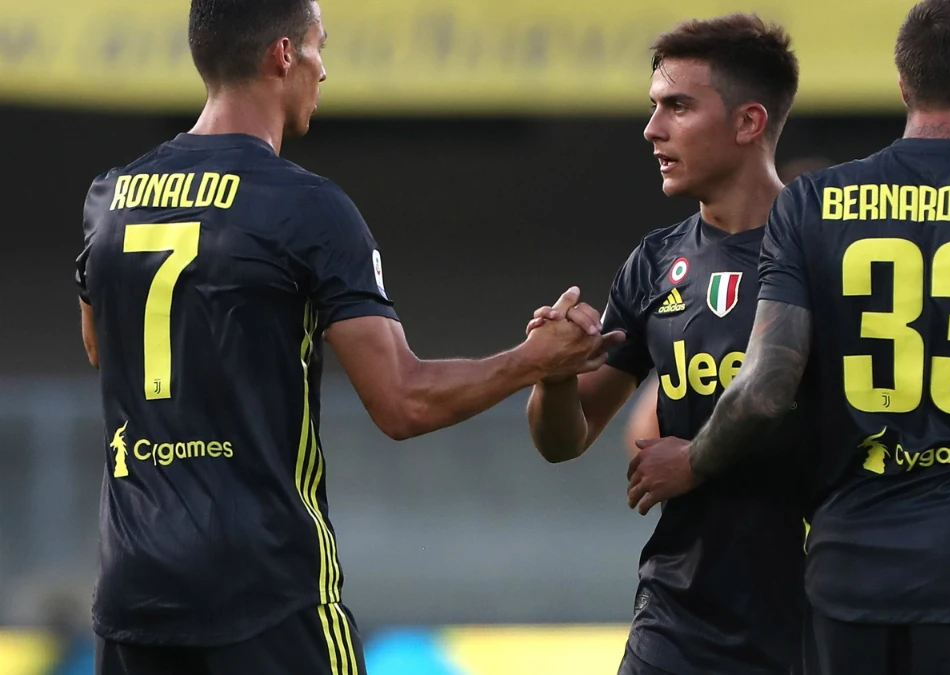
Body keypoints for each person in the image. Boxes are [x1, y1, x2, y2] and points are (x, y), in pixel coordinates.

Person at [74, 1, 618, 673]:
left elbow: (102, 346)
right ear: (282, 56)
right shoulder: (306, 207)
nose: (323, 69)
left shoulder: (112, 195)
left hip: (134, 590)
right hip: (265, 590)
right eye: (317, 46)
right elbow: (403, 401)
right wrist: (534, 358)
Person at [625, 1, 950, 674]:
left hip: (847, 578)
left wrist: (692, 459)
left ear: (903, 84)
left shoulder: (814, 207)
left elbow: (764, 390)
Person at [525, 14, 815, 675]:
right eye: (655, 107)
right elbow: (563, 439)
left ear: (748, 123)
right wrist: (556, 372)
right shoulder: (655, 262)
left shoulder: (829, 257)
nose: (653, 129)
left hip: (815, 621)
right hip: (679, 620)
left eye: (677, 106)